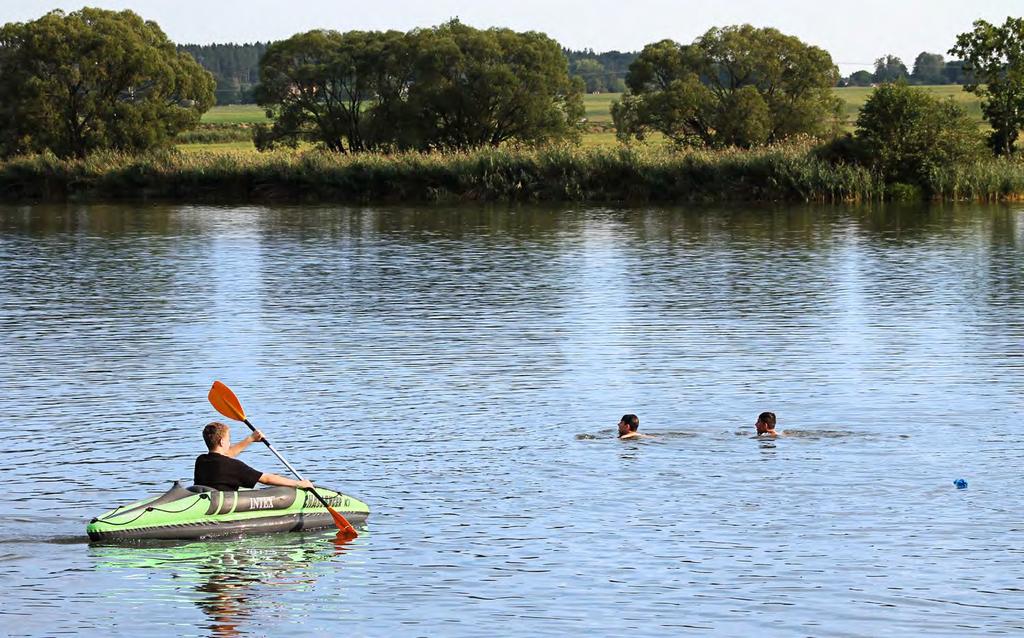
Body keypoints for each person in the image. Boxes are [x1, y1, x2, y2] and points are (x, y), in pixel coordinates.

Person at [194, 421, 313, 492]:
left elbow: (225, 456)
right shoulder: (233, 466)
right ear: (221, 442)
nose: (230, 443)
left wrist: (250, 439)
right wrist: (299, 484)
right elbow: (266, 479)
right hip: (222, 507)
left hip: (207, 502)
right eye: (228, 440)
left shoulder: (201, 460)